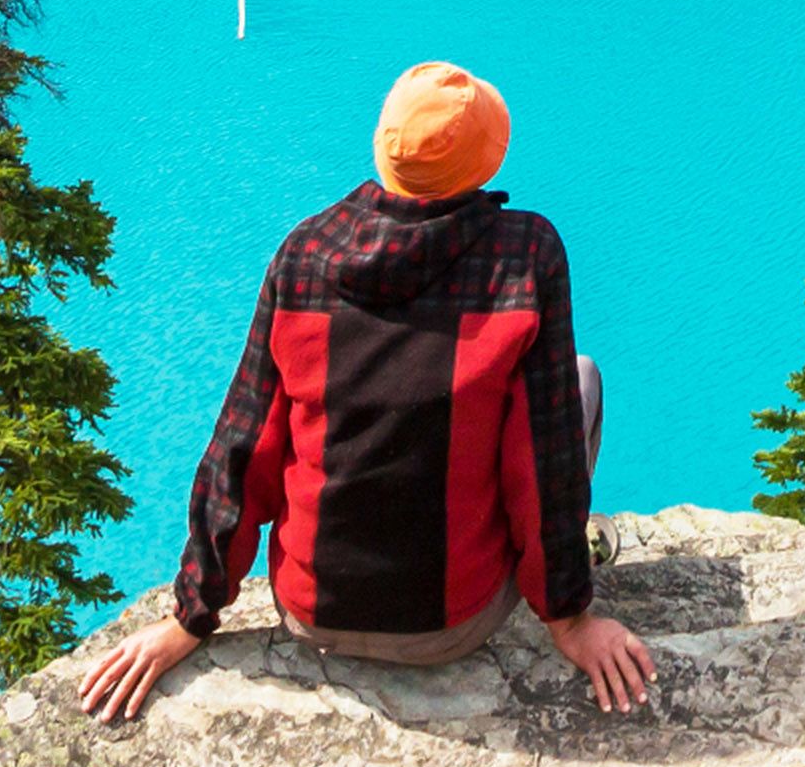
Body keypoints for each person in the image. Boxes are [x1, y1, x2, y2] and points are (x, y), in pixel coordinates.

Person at [71, 57, 662, 718]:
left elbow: (241, 448)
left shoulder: (304, 253)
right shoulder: (526, 256)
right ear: (488, 159)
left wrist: (190, 616)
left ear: (384, 147)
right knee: (580, 380)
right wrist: (570, 619)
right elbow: (543, 463)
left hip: (310, 613)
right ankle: (571, 557)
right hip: (451, 627)